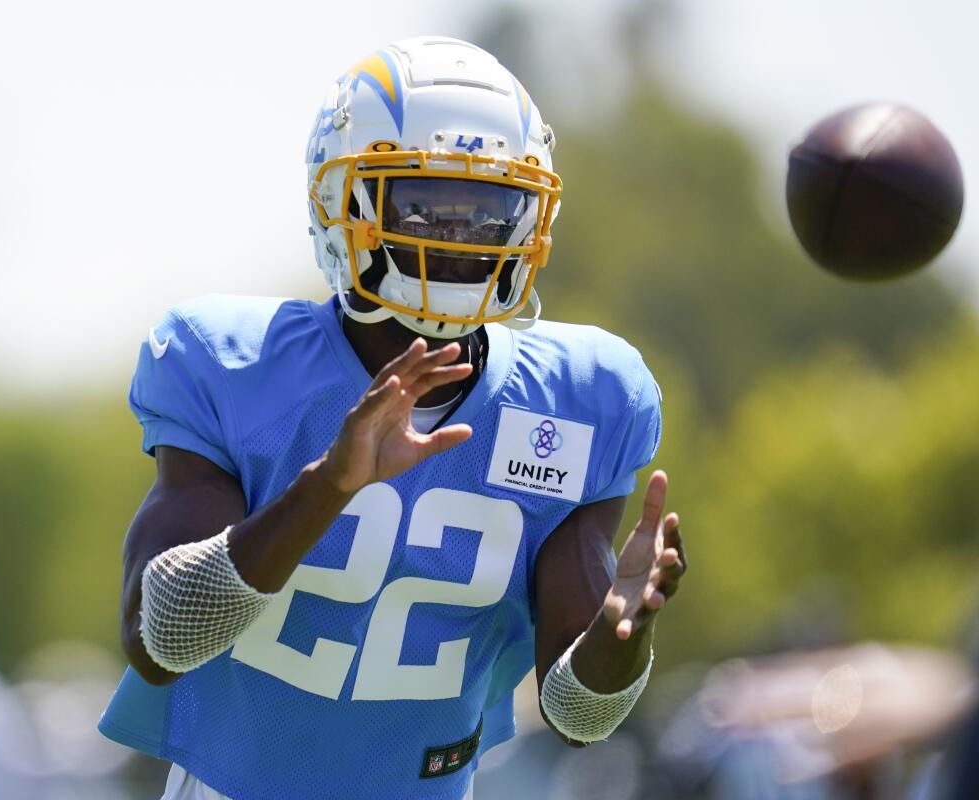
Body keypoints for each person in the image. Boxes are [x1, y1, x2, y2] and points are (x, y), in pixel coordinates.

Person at [98, 35, 687, 800]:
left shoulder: (584, 398)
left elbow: (577, 715)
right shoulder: (232, 364)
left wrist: (624, 634)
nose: (458, 239)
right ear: (343, 203)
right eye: (427, 205)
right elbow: (159, 637)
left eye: (490, 210)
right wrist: (325, 489)